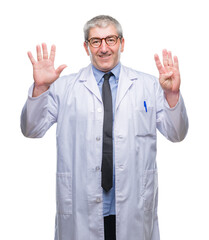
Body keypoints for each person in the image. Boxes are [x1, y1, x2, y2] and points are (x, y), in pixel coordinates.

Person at [21, 15, 188, 240]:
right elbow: (31, 129)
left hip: (134, 207)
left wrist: (172, 94)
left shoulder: (149, 86)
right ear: (86, 46)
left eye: (110, 39)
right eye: (96, 41)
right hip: (81, 207)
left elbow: (177, 133)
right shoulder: (64, 87)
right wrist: (40, 88)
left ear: (122, 43)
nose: (104, 48)